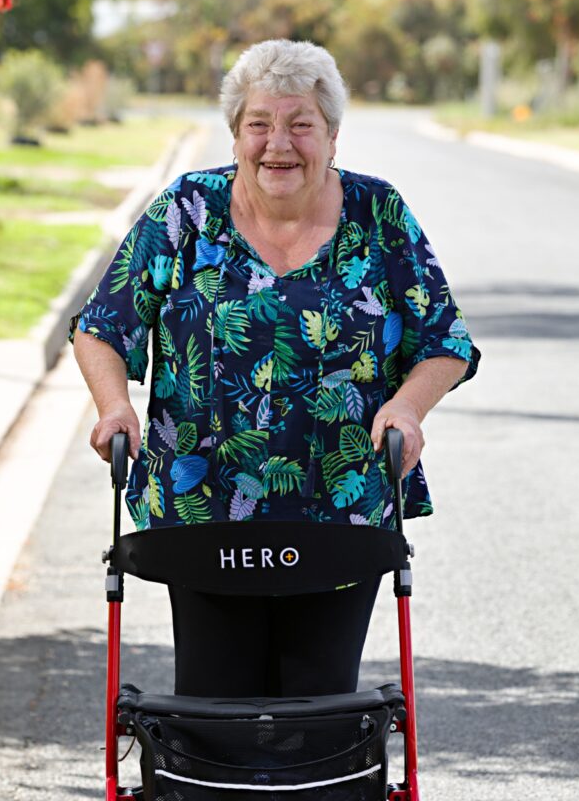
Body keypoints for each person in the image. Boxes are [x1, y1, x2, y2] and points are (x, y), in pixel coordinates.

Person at [71, 39, 479, 699]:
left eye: (300, 124)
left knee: (317, 701)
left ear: (332, 137)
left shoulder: (379, 217)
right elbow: (101, 327)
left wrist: (406, 407)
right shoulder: (185, 212)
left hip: (340, 509)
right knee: (215, 697)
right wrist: (114, 406)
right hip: (205, 510)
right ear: (235, 134)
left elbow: (443, 340)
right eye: (259, 124)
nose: (277, 144)